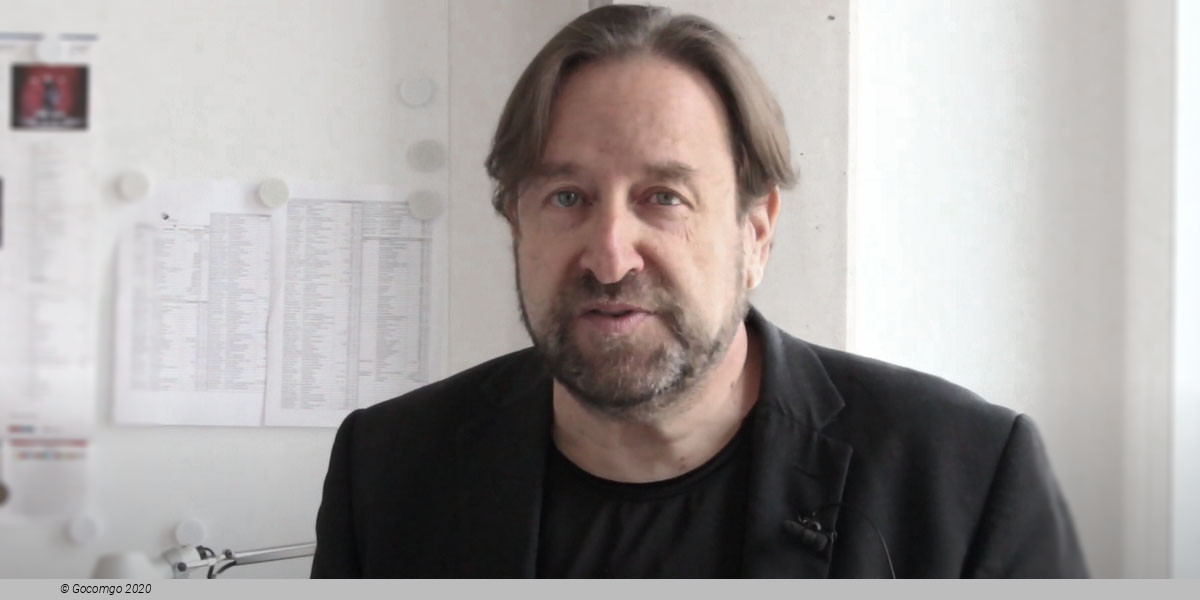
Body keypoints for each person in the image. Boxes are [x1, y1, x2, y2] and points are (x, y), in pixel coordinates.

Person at [311, 4, 1088, 578]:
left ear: (757, 232)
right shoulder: (387, 474)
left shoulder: (965, 481)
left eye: (664, 198)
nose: (610, 257)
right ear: (516, 223)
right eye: (567, 197)